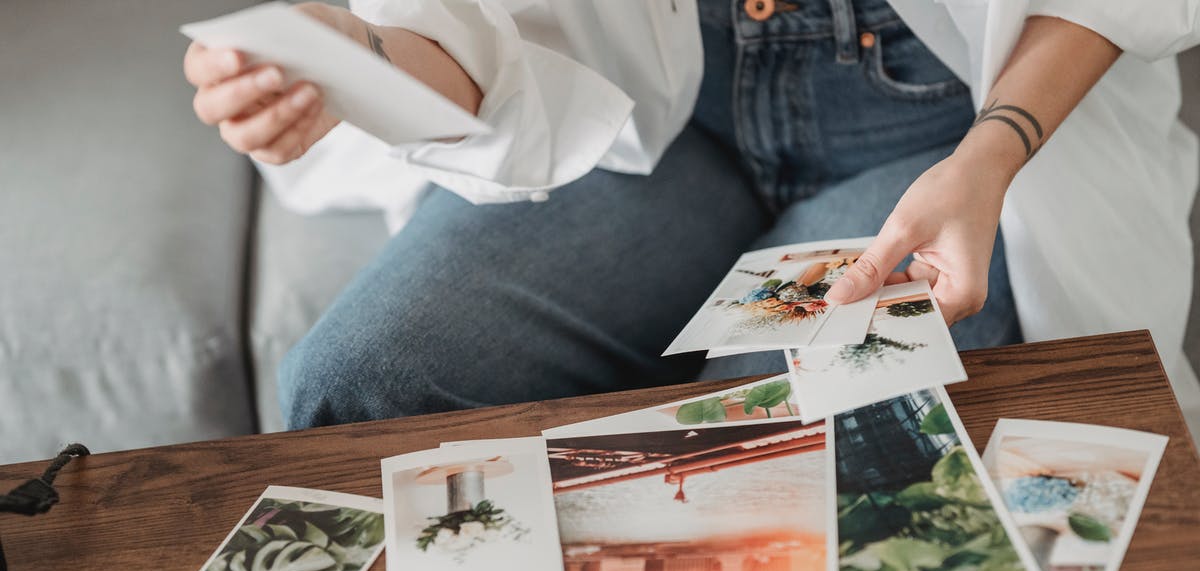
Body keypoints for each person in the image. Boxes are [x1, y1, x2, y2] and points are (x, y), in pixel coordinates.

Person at [184, 0, 1199, 429]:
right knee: (362, 381)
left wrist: (993, 153)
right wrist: (354, 57)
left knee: (765, 431)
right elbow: (469, 41)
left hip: (947, 128)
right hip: (665, 125)